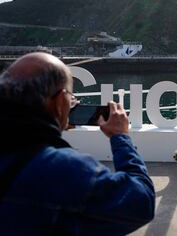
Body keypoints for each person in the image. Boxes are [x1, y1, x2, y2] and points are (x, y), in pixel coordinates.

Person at [0, 53, 155, 234]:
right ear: (59, 102)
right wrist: (120, 136)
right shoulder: (64, 170)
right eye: (71, 98)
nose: (74, 103)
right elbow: (141, 202)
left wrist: (52, 130)